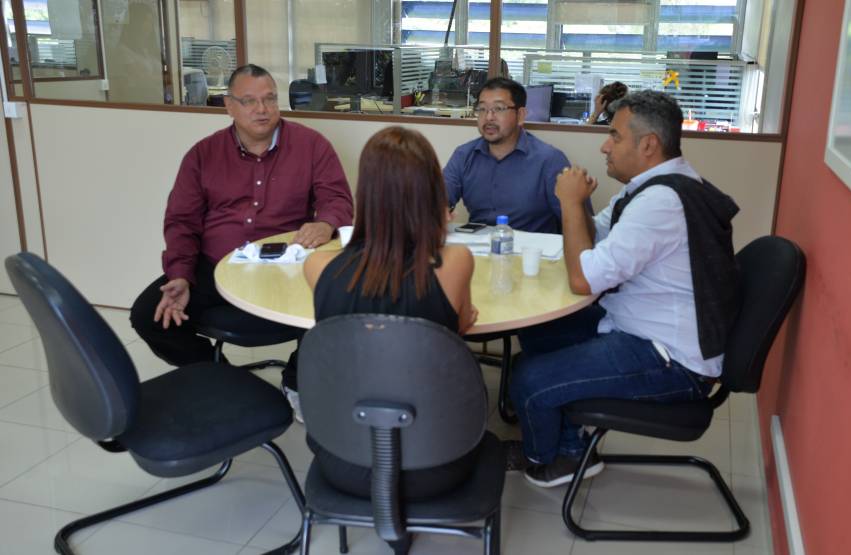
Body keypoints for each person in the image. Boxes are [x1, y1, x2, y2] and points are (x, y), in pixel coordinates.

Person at [510, 90, 740, 488]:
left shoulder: (661, 203)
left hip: (670, 358)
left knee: (528, 379)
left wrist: (568, 204)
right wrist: (577, 200)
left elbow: (583, 279)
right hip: (643, 325)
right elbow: (597, 233)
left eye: (614, 136)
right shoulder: (652, 186)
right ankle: (570, 445)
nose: (604, 144)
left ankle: (549, 459)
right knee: (538, 332)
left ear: (648, 144)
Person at [129, 64, 353, 420]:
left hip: (287, 265)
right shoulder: (203, 154)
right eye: (249, 101)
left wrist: (326, 223)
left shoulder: (312, 145)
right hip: (217, 265)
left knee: (338, 301)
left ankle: (297, 378)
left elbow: (338, 199)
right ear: (228, 106)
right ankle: (217, 373)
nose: (261, 110)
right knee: (148, 315)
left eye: (269, 100)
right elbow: (181, 222)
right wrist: (181, 275)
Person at [302, 126, 478, 531]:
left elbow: (352, 336)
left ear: (365, 194)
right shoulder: (455, 263)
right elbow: (460, 329)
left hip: (341, 459)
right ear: (432, 193)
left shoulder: (317, 268)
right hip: (438, 463)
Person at [443, 77, 576, 234]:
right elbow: (438, 197)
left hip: (533, 253)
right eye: (482, 109)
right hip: (479, 250)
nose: (488, 117)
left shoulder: (550, 161)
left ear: (520, 115)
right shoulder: (463, 155)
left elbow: (578, 224)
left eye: (499, 109)